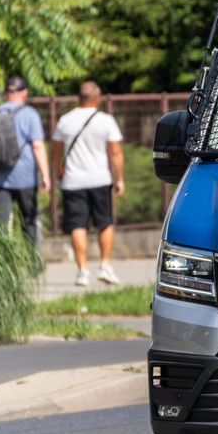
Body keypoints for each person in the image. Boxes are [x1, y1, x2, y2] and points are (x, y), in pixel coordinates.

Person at [51, 80, 126, 286]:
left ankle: (82, 271)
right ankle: (105, 265)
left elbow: (56, 151)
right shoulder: (105, 120)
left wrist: (57, 170)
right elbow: (116, 151)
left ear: (79, 98)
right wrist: (119, 178)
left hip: (73, 181)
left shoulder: (65, 120)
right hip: (100, 180)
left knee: (77, 225)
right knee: (105, 223)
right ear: (97, 98)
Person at [0, 75, 50, 242]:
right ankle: (32, 263)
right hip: (24, 178)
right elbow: (38, 146)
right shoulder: (30, 114)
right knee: (29, 221)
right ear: (24, 92)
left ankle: (0, 265)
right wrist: (45, 175)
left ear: (7, 92)